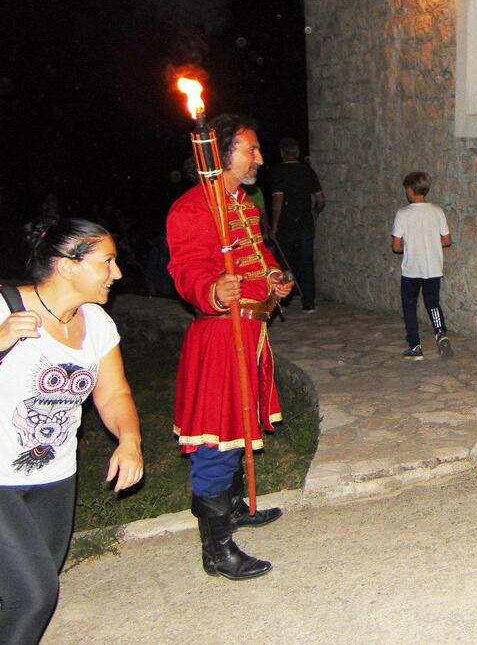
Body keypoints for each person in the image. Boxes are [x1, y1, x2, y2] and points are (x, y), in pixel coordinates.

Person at [0, 219, 144, 644]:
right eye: (107, 262)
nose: (116, 273)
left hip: (55, 478)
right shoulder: (4, 309)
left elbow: (114, 393)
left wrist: (130, 440)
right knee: (33, 597)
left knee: (21, 590)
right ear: (66, 266)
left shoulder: (96, 323)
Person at [166, 114, 293, 581]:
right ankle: (216, 551)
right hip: (222, 335)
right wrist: (213, 289)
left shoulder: (241, 202)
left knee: (242, 426)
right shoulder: (192, 208)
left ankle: (236, 507)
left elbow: (257, 253)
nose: (260, 158)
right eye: (251, 150)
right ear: (222, 154)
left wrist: (273, 277)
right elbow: (187, 269)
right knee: (216, 441)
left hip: (252, 333)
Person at [391, 171, 453, 361]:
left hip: (412, 269)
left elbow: (396, 246)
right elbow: (447, 240)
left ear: (410, 190)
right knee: (432, 303)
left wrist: (410, 244)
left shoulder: (403, 214)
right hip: (433, 266)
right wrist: (431, 243)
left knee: (410, 306)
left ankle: (415, 346)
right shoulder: (437, 211)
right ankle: (441, 333)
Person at [269, 137, 325, 313]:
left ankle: (282, 301)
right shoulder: (307, 171)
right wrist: (314, 212)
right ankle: (308, 302)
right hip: (305, 223)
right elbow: (320, 198)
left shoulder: (278, 172)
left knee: (284, 262)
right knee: (306, 261)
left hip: (286, 223)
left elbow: (278, 199)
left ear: (282, 153)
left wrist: (274, 225)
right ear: (297, 152)